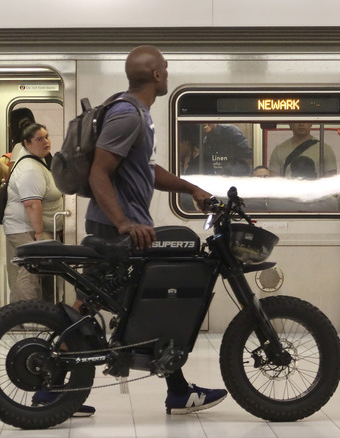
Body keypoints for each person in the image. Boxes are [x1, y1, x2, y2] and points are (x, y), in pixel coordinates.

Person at [86, 45, 228, 415]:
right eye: (166, 67)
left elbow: (146, 171)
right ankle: (52, 392)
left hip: (130, 226)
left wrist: (192, 188)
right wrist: (123, 222)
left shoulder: (138, 115)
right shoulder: (128, 115)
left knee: (149, 302)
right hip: (117, 227)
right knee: (93, 304)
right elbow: (98, 172)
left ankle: (178, 391)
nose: (168, 72)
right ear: (157, 75)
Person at [2, 123, 63, 302]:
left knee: (34, 270)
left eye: (47, 136)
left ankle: (32, 313)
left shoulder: (38, 161)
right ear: (27, 143)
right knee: (30, 269)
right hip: (25, 227)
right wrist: (38, 233)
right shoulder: (29, 167)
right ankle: (24, 315)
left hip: (31, 227)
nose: (46, 141)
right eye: (39, 139)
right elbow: (31, 204)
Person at [268, 122, 337, 178]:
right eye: (297, 120)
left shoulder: (324, 149)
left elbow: (332, 183)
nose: (301, 124)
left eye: (305, 120)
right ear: (290, 123)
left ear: (311, 123)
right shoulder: (279, 150)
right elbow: (274, 183)